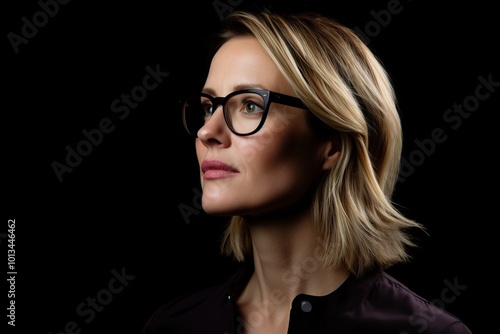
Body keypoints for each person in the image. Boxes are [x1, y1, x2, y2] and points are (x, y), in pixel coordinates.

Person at [141, 9, 472, 334]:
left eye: (251, 105)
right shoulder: (173, 326)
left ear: (332, 143)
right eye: (209, 107)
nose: (206, 132)